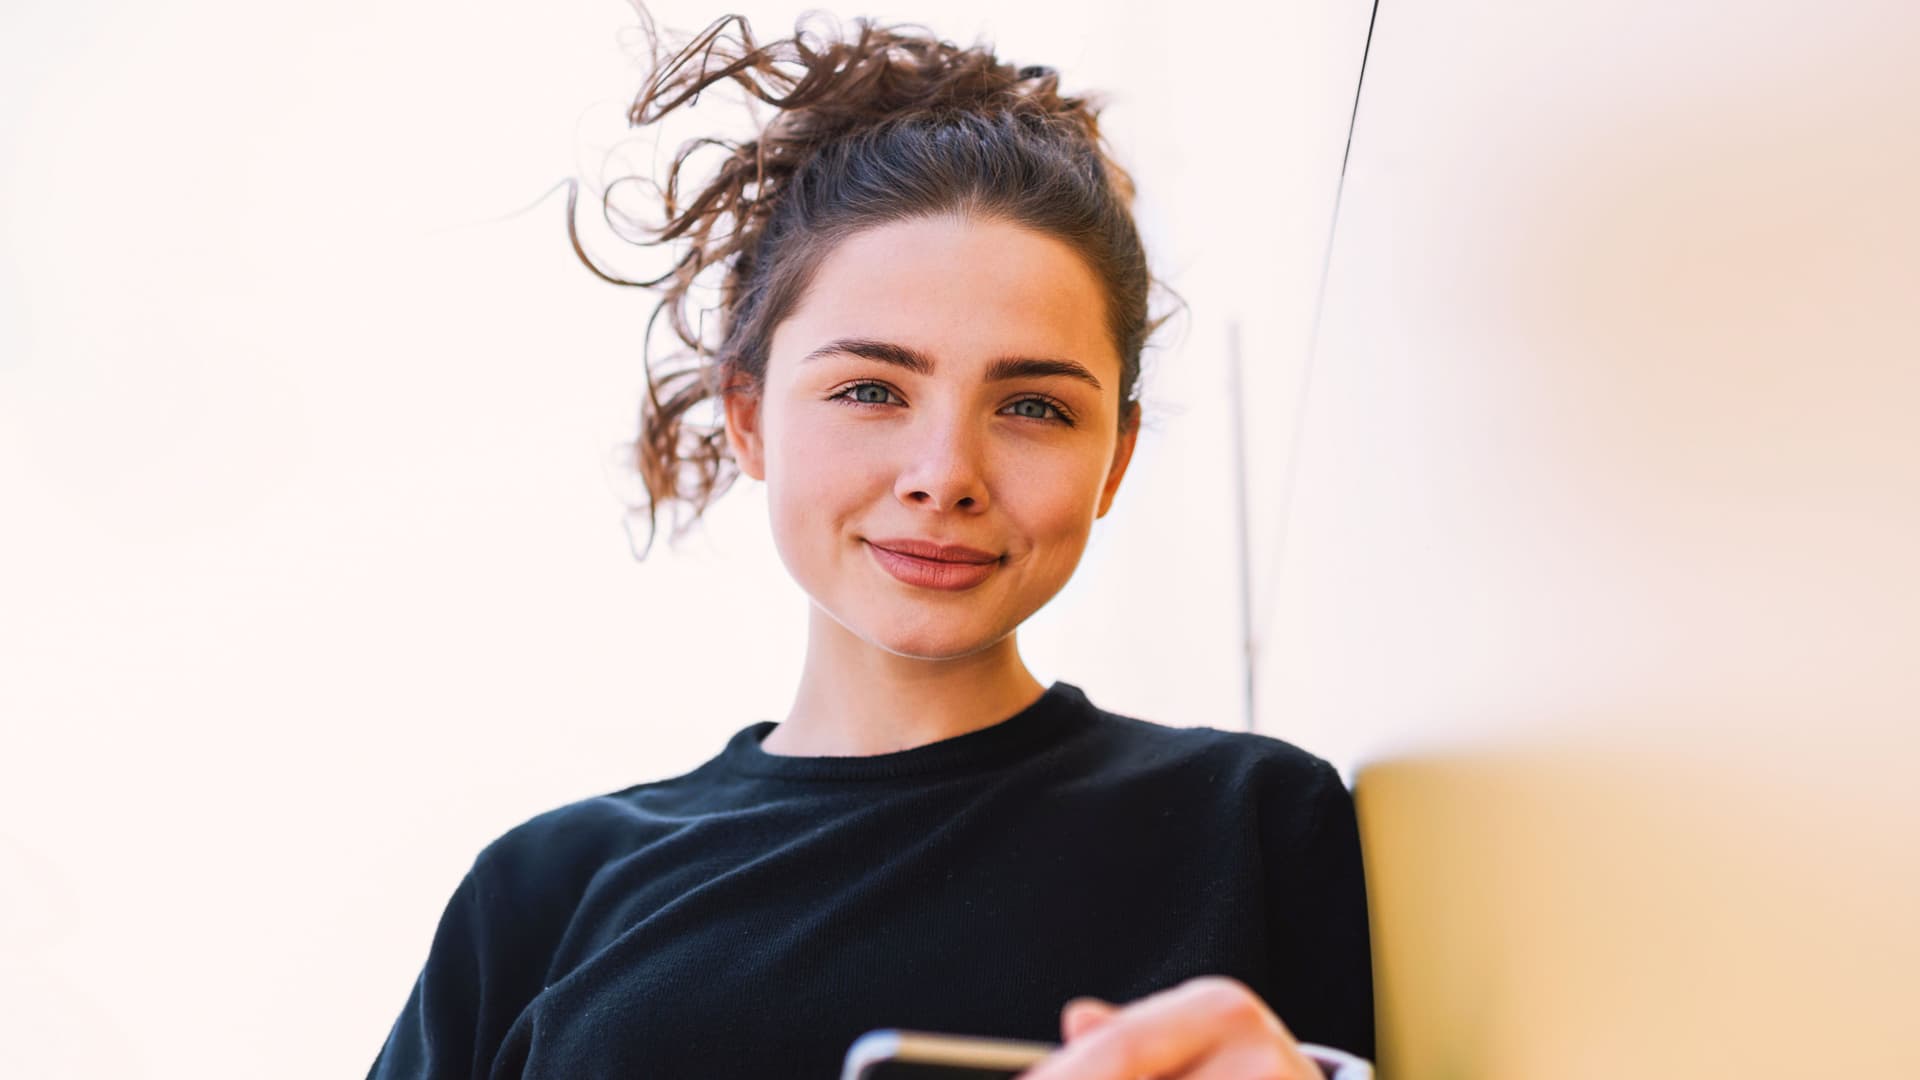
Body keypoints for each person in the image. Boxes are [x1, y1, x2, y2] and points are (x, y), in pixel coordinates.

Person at [366, 8, 1374, 1078]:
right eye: (869, 390)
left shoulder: (1259, 830)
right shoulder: (543, 893)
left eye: (1033, 407)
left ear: (1117, 457)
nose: (945, 473)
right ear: (748, 417)